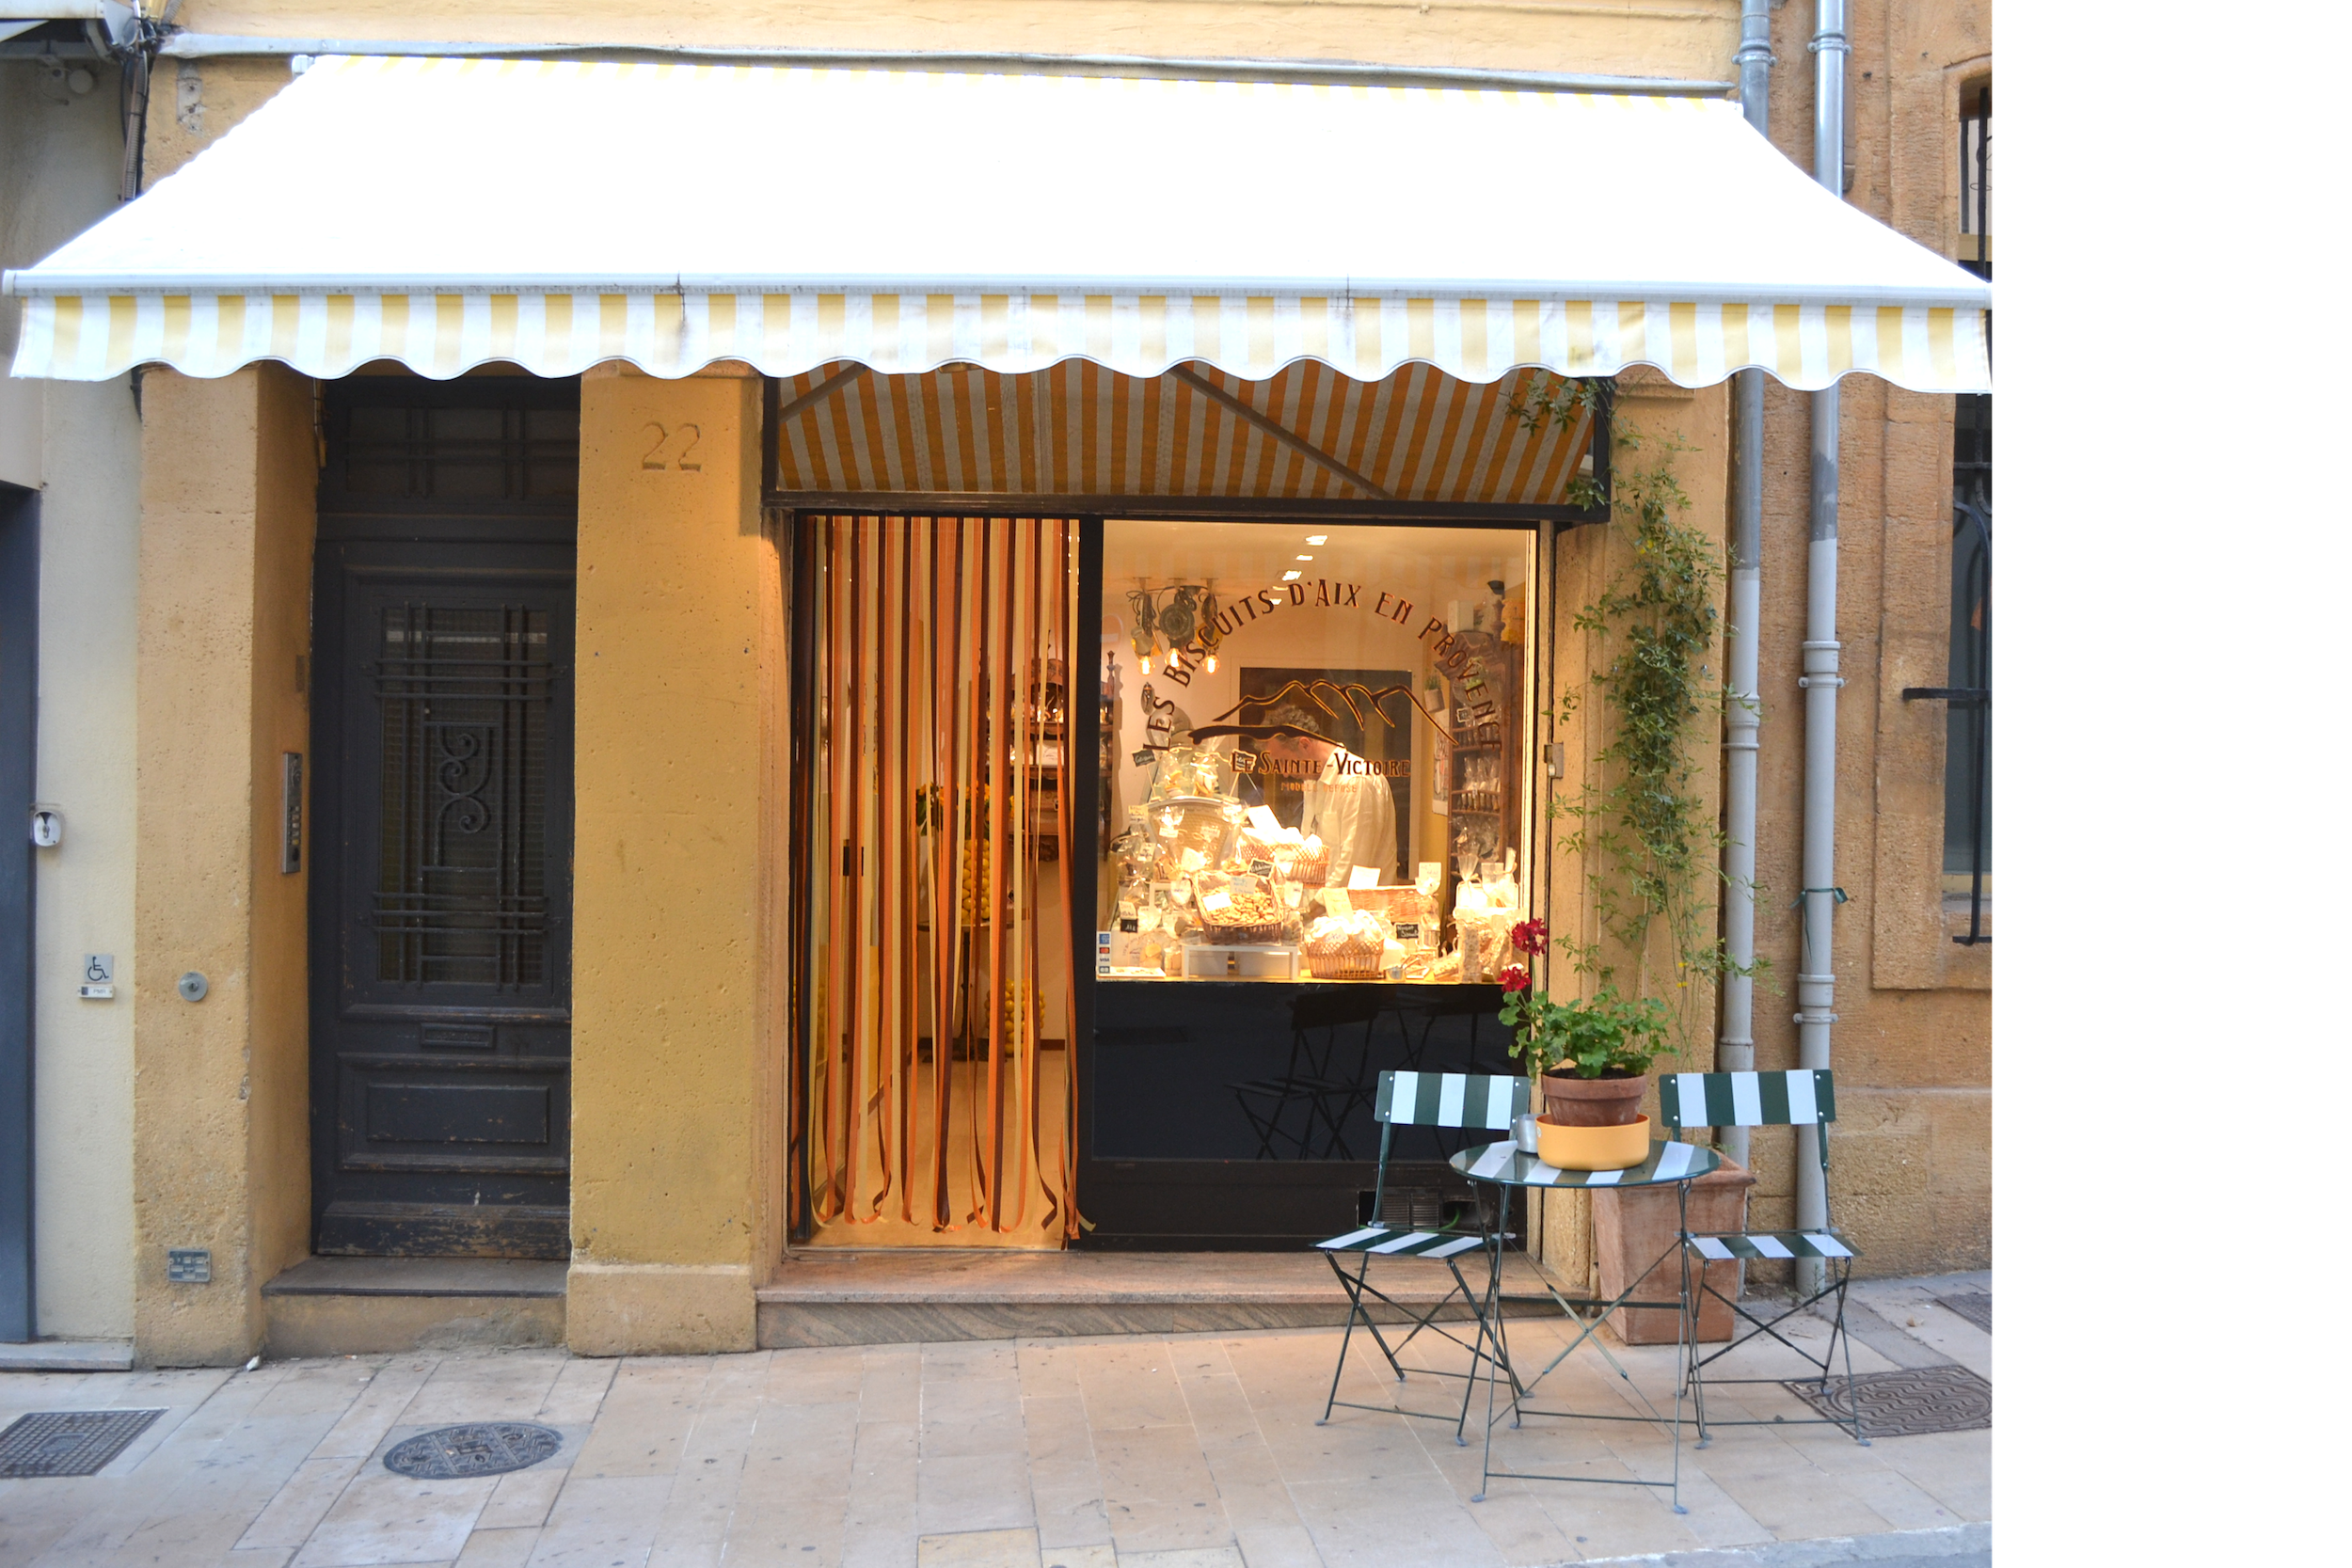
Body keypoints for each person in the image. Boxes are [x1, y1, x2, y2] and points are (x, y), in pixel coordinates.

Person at [1259, 714, 1397, 885]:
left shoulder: (1356, 780)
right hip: (1324, 904)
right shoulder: (1312, 780)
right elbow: (1312, 855)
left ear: (1304, 745)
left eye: (1284, 761)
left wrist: (1313, 907)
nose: (1285, 773)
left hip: (1358, 908)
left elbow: (1353, 867)